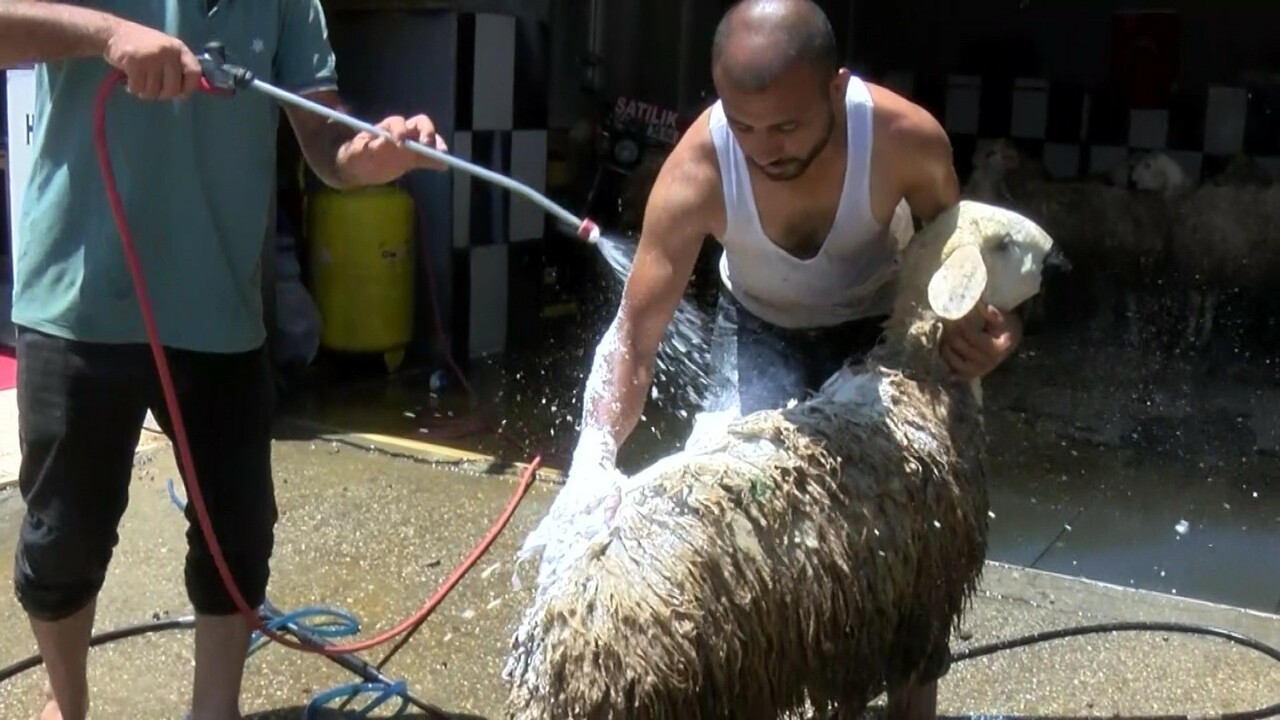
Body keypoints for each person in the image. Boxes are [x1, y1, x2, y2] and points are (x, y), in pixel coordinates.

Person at [529, 1, 1022, 718]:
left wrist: (992, 332)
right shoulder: (700, 165)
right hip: (760, 328)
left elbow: (961, 268)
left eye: (787, 126)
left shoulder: (904, 139)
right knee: (761, 551)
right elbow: (634, 336)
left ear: (835, 88)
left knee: (915, 548)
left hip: (877, 330)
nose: (765, 148)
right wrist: (594, 458)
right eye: (746, 125)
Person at [0, 2, 448, 719]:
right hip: (78, 300)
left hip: (220, 310)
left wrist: (370, 157)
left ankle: (216, 708)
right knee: (61, 539)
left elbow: (325, 140)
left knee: (237, 533)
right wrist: (108, 34)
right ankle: (66, 701)